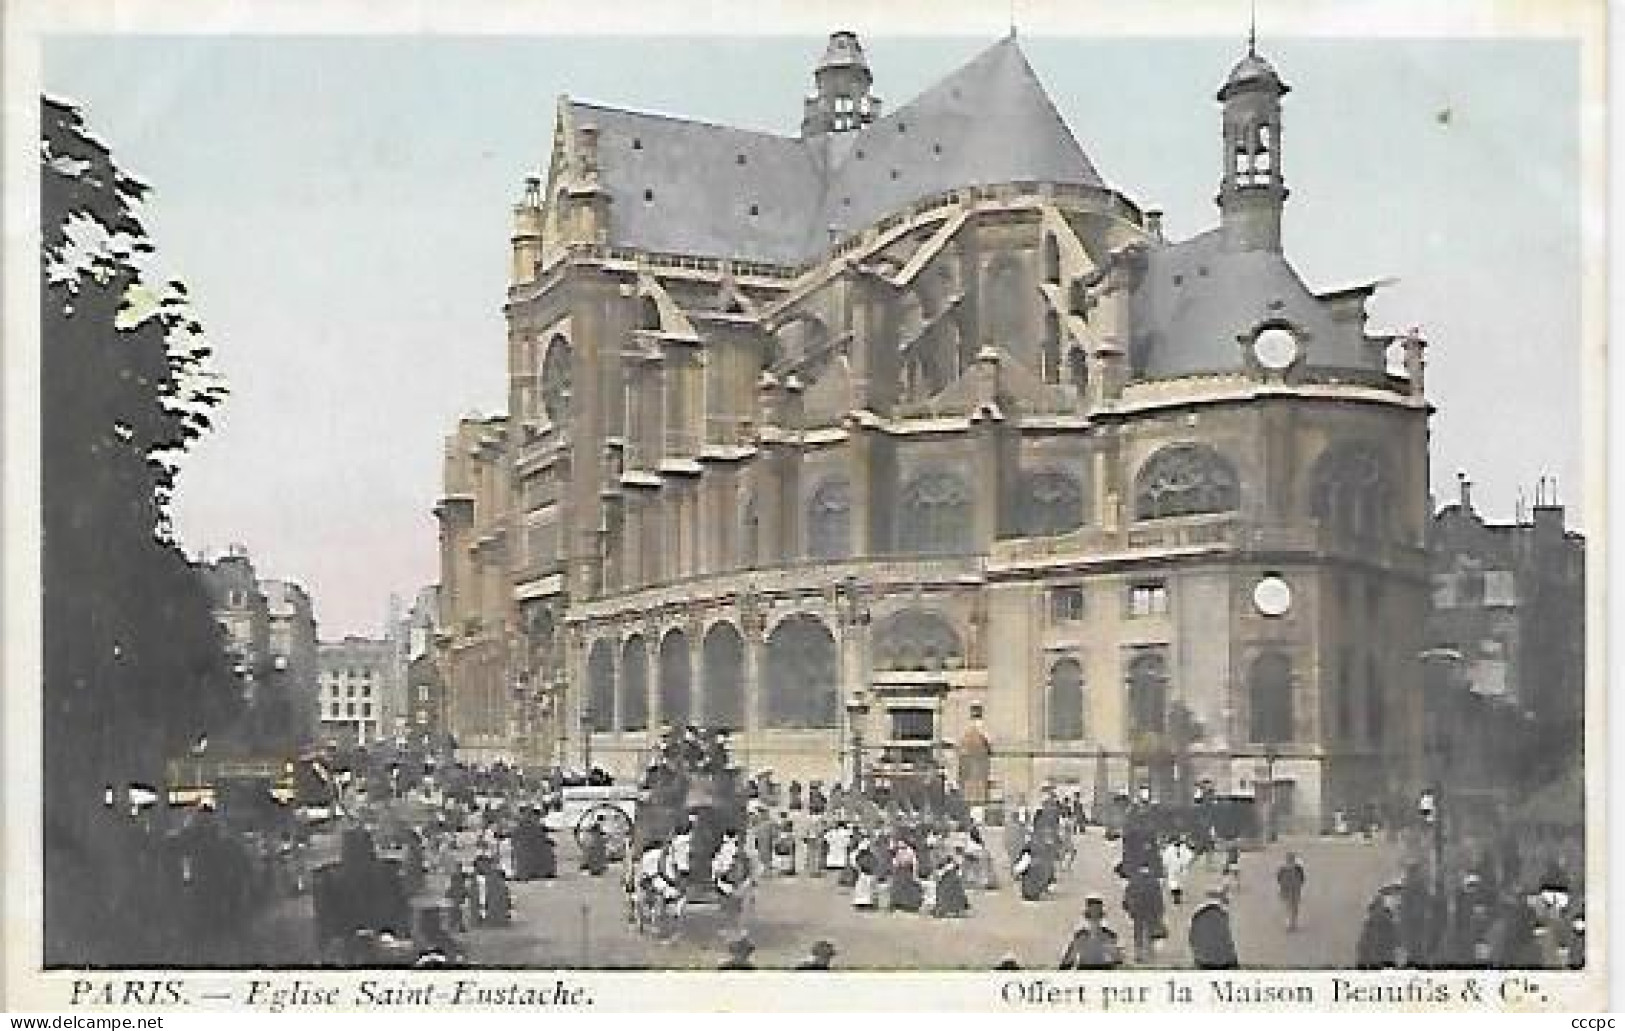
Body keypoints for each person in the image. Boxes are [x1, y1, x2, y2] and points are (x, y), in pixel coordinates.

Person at [1059, 894, 1125, 970]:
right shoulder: (1080, 935)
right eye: (1093, 911)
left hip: (1104, 970)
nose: (1095, 914)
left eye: (1097, 911)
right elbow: (1067, 961)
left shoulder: (1109, 935)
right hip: (1085, 970)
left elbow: (1119, 959)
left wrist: (1113, 950)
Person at [1121, 864, 1165, 963]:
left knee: (1139, 933)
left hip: (1139, 912)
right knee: (1148, 933)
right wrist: (1159, 913)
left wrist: (1128, 909)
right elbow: (1159, 899)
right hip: (1149, 912)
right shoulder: (1154, 882)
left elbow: (1126, 897)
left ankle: (1139, 954)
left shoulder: (1134, 881)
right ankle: (1148, 953)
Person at [1188, 886, 1239, 969]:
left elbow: (1192, 940)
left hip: (1206, 961)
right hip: (1223, 961)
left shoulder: (1199, 916)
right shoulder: (1220, 914)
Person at [1356, 892, 1402, 969]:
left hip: (1382, 958)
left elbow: (1396, 940)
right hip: (1379, 958)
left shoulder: (1375, 922)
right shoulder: (1371, 923)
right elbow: (1363, 944)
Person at [888, 840, 924, 913]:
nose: (899, 845)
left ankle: (909, 906)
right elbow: (896, 863)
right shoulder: (899, 851)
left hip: (908, 872)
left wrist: (914, 874)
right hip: (900, 872)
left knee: (908, 888)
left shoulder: (910, 851)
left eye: (901, 843)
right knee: (898, 887)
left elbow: (914, 863)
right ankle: (898, 904)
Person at [931, 853, 970, 918]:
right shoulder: (953, 866)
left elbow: (938, 876)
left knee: (944, 896)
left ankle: (944, 910)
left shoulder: (948, 867)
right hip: (953, 885)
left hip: (948, 885)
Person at [1276, 851, 1307, 931]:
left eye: (1291, 858)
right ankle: (1290, 923)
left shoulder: (1297, 868)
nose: (1290, 860)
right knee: (1290, 906)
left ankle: (1292, 922)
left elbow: (1302, 878)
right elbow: (1279, 879)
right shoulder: (1283, 869)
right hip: (1288, 890)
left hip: (1294, 890)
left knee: (1293, 906)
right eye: (1289, 858)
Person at [851, 835, 880, 910]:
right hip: (863, 873)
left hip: (868, 873)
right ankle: (861, 902)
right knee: (862, 887)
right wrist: (858, 869)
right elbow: (855, 862)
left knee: (867, 887)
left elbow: (875, 863)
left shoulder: (871, 855)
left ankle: (867, 902)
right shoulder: (859, 855)